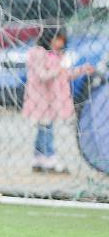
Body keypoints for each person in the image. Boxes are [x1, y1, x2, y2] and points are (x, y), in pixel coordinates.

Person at [23, 26, 93, 173]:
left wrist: (81, 69)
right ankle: (49, 160)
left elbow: (64, 75)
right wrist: (57, 70)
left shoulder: (55, 55)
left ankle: (39, 159)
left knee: (45, 128)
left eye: (62, 40)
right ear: (49, 38)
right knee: (46, 129)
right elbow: (42, 74)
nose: (60, 43)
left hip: (51, 99)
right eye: (58, 39)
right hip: (40, 99)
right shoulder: (38, 53)